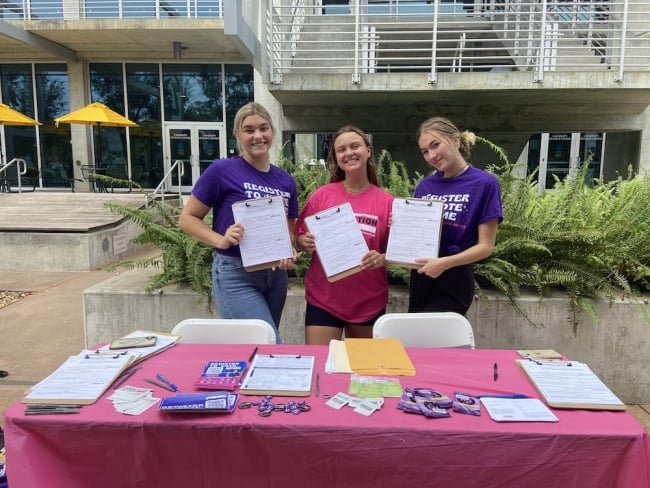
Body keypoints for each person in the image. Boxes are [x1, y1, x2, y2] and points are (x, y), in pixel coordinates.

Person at [178, 102, 299, 344]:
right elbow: (187, 218)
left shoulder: (285, 181)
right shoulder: (222, 171)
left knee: (257, 349)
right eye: (249, 130)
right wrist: (220, 240)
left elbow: (289, 231)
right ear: (238, 135)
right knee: (269, 343)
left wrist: (289, 251)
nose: (257, 136)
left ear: (272, 132)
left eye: (263, 128)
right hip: (236, 273)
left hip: (275, 277)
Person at [295, 126, 394, 345]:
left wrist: (381, 258)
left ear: (368, 151)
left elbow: (397, 252)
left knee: (362, 373)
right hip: (324, 299)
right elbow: (299, 237)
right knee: (321, 366)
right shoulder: (322, 196)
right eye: (341, 149)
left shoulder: (387, 202)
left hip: (369, 301)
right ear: (336, 158)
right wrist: (305, 241)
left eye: (355, 146)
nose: (348, 152)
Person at [409, 116, 502, 315]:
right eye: (425, 151)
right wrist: (402, 225)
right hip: (422, 277)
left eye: (435, 145)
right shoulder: (425, 187)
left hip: (454, 277)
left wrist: (444, 264)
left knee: (441, 341)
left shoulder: (485, 184)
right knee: (418, 341)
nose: (432, 155)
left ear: (456, 141)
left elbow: (485, 246)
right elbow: (418, 235)